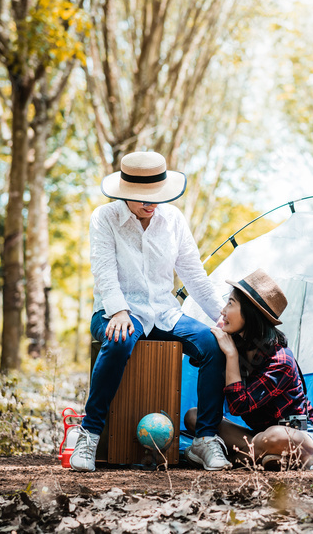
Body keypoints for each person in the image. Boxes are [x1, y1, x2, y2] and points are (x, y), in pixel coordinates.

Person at [70, 151, 232, 472]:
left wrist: (221, 319)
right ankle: (89, 433)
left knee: (214, 346)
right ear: (125, 192)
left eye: (156, 196)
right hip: (114, 311)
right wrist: (118, 310)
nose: (151, 203)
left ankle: (205, 439)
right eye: (143, 197)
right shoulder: (104, 218)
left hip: (164, 313)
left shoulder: (173, 220)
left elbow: (194, 274)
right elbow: (104, 271)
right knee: (119, 340)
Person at [184, 269, 313, 470]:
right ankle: (266, 458)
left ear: (250, 314)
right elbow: (198, 362)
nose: (223, 310)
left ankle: (241, 458)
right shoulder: (237, 344)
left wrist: (231, 355)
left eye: (230, 303)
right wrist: (215, 345)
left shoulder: (281, 361)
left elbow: (238, 406)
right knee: (194, 417)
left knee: (274, 436)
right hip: (256, 436)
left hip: (296, 437)